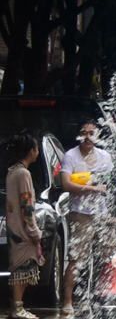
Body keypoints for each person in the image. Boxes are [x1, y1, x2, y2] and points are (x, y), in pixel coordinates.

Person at [60, 120, 115, 317]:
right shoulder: (71, 156)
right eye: (84, 132)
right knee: (76, 258)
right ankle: (67, 300)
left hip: (101, 213)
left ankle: (101, 296)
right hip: (80, 213)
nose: (88, 136)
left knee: (108, 255)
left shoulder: (105, 156)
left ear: (97, 136)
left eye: (92, 133)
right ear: (78, 135)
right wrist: (92, 187)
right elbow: (66, 184)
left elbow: (110, 182)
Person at [6, 133, 43, 319]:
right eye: (36, 149)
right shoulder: (23, 173)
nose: (38, 152)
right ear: (31, 151)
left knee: (19, 269)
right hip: (22, 231)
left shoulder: (13, 171)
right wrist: (34, 231)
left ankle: (17, 308)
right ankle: (18, 309)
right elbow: (27, 206)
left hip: (14, 228)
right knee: (22, 270)